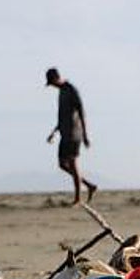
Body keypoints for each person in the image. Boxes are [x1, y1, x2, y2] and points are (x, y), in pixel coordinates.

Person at [45, 67, 97, 204]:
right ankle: (89, 185)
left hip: (74, 133)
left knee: (73, 163)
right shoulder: (61, 92)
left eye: (52, 83)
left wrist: (85, 135)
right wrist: (54, 132)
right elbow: (62, 116)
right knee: (62, 164)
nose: (52, 86)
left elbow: (81, 112)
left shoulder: (71, 90)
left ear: (57, 78)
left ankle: (78, 199)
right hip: (64, 133)